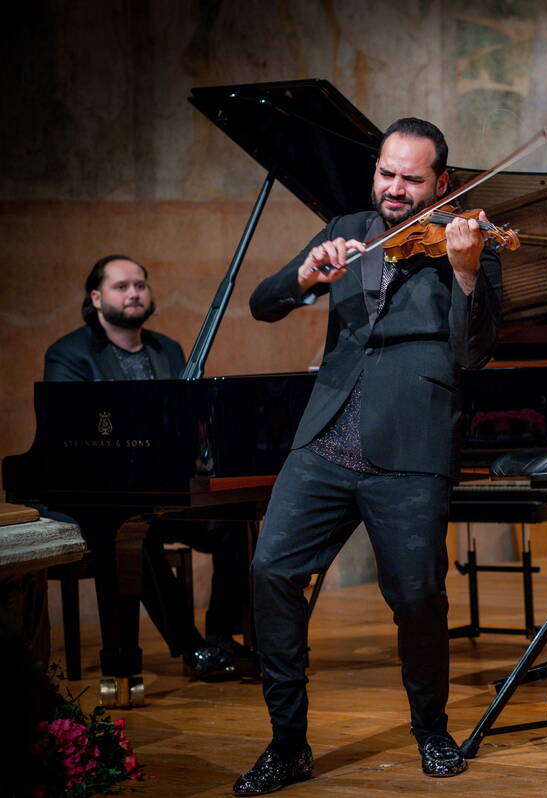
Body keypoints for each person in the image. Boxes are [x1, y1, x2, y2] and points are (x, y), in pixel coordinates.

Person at [232, 117, 501, 795]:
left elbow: (474, 353)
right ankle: (287, 744)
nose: (396, 189)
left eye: (413, 179)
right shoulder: (345, 228)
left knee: (416, 596)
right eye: (387, 173)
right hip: (326, 436)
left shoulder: (467, 241)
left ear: (441, 181)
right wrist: (305, 274)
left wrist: (466, 273)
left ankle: (431, 730)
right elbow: (264, 303)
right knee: (269, 570)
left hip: (412, 443)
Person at [44, 255, 252, 679]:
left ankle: (220, 638)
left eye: (140, 284)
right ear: (97, 298)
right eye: (122, 286)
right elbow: (67, 435)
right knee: (132, 532)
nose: (134, 292)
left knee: (235, 518)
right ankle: (191, 649)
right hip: (100, 496)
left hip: (166, 489)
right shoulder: (70, 354)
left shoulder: (167, 349)